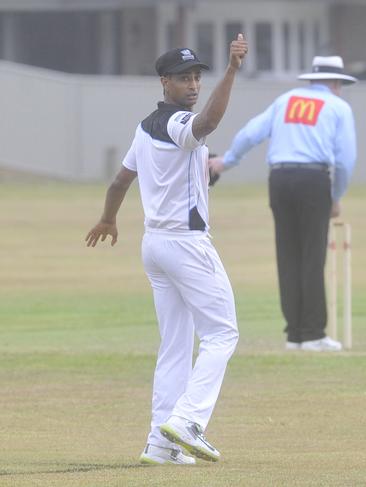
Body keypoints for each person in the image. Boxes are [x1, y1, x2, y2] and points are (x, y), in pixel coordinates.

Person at [85, 36, 248, 464]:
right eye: (183, 79)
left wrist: (108, 218)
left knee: (175, 345)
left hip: (154, 245)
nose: (193, 85)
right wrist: (232, 71)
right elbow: (205, 126)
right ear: (164, 82)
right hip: (186, 243)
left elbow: (121, 181)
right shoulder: (178, 123)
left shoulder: (144, 127)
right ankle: (190, 421)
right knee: (222, 334)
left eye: (197, 77)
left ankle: (160, 443)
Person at [211, 56, 357, 352]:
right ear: (336, 83)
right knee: (312, 256)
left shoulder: (286, 100)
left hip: (279, 179)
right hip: (314, 179)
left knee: (288, 255)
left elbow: (251, 133)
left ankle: (294, 335)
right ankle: (314, 334)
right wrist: (336, 197)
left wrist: (227, 162)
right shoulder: (339, 107)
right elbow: (345, 160)